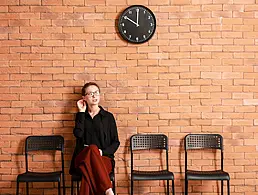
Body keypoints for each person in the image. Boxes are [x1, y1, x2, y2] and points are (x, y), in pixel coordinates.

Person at [69, 82, 120, 195]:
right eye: (90, 93)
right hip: (82, 157)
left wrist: (102, 152)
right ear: (84, 98)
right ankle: (108, 190)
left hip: (104, 158)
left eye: (96, 92)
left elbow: (115, 142)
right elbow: (78, 134)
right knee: (92, 148)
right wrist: (81, 112)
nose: (94, 96)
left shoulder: (108, 117)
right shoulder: (80, 116)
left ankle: (108, 191)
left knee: (88, 174)